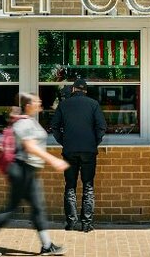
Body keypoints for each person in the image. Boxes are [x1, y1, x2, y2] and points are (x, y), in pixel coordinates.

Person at [0, 92, 69, 257]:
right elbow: (30, 147)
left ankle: (47, 245)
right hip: (21, 170)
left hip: (29, 171)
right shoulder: (24, 123)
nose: (40, 102)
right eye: (35, 101)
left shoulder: (30, 121)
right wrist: (54, 160)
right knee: (11, 208)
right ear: (28, 105)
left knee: (38, 208)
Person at [49, 77, 106, 232]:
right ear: (85, 91)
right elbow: (101, 127)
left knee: (70, 186)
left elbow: (54, 127)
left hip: (69, 151)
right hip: (89, 151)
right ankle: (86, 224)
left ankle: (71, 222)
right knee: (88, 186)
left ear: (73, 89)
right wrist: (94, 142)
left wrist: (64, 141)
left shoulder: (64, 104)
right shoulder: (94, 104)